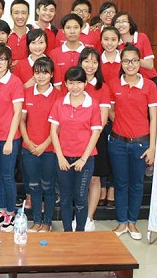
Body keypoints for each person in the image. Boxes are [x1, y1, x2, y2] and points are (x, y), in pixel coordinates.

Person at [107, 44, 157, 241]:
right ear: (121, 63)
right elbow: (110, 111)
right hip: (118, 143)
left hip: (141, 144)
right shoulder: (114, 84)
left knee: (136, 184)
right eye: (126, 61)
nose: (130, 65)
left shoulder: (149, 86)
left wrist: (152, 147)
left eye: (135, 61)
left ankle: (132, 222)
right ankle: (122, 222)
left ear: (139, 62)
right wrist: (120, 123)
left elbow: (153, 117)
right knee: (120, 184)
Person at [50, 66, 102, 232]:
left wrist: (83, 159)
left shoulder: (93, 104)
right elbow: (53, 131)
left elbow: (95, 133)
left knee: (80, 198)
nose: (75, 87)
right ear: (66, 84)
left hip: (84, 160)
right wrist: (60, 157)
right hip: (63, 159)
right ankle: (67, 232)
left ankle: (79, 232)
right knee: (65, 198)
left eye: (79, 82)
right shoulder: (59, 103)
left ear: (85, 83)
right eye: (71, 83)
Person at [20, 57, 60, 233]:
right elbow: (22, 120)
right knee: (34, 186)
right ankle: (36, 221)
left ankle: (47, 223)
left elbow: (58, 126)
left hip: (49, 149)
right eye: (37, 72)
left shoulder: (58, 96)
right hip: (29, 148)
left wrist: (44, 145)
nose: (41, 76)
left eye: (45, 73)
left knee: (48, 187)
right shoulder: (27, 93)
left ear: (51, 74)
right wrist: (28, 142)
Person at [0, 44, 24, 232]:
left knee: (8, 176)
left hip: (10, 137)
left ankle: (11, 212)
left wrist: (9, 140)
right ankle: (1, 210)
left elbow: (17, 113)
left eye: (2, 59)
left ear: (9, 62)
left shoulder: (15, 82)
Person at [79, 47, 112, 232]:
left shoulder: (102, 87)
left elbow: (104, 118)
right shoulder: (74, 83)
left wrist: (90, 136)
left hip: (95, 138)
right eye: (86, 61)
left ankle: (89, 218)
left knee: (93, 179)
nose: (90, 65)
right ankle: (78, 215)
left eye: (94, 62)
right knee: (77, 180)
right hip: (74, 139)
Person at [113, 11, 157, 90]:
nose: (120, 25)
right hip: (128, 84)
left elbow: (150, 65)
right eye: (117, 22)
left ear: (130, 25)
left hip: (150, 80)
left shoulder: (142, 37)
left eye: (124, 21)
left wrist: (130, 57)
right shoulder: (114, 43)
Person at [49, 13, 85, 87]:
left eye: (76, 27)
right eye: (68, 28)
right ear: (63, 30)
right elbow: (56, 83)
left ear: (81, 29)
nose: (72, 31)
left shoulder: (88, 53)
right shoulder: (54, 54)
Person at [7, 0, 31, 64]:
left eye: (23, 13)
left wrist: (21, 63)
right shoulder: (5, 36)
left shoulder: (34, 36)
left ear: (28, 15)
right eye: (16, 13)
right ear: (11, 15)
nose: (20, 16)